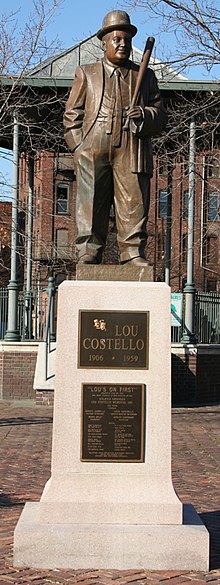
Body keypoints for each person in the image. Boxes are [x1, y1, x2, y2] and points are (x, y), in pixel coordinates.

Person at [63, 10, 167, 265]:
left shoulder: (144, 76)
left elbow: (160, 115)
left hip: (131, 144)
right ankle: (89, 249)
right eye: (117, 39)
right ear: (104, 43)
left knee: (133, 199)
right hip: (94, 144)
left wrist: (143, 114)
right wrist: (80, 146)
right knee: (91, 200)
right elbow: (71, 114)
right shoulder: (86, 73)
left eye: (127, 40)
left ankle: (132, 251)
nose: (122, 44)